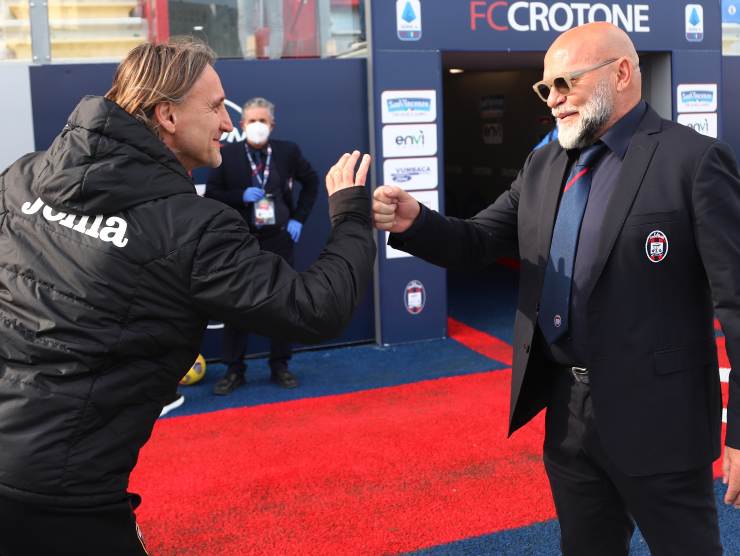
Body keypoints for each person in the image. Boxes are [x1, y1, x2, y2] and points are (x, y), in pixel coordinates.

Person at [373, 22, 739, 555]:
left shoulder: (694, 160)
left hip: (663, 420)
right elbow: (479, 241)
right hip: (567, 414)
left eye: (565, 82)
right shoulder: (543, 165)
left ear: (621, 73)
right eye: (545, 88)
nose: (554, 100)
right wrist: (414, 224)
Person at [0, 37, 374, 555]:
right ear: (167, 116)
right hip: (64, 495)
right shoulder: (192, 228)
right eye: (217, 106)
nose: (229, 122)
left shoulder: (21, 178)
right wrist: (352, 215)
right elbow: (318, 306)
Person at [205, 96, 318, 393]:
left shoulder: (287, 152)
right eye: (252, 121)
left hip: (279, 240)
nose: (257, 126)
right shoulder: (226, 155)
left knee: (284, 305)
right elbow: (212, 195)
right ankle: (234, 370)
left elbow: (312, 182)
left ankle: (280, 365)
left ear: (272, 125)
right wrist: (240, 195)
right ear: (242, 125)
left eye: (263, 121)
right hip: (240, 242)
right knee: (236, 306)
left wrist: (299, 219)